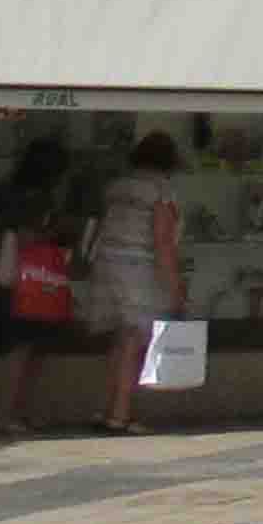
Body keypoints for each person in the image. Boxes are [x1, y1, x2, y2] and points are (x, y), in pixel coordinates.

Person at [77, 132, 186, 434]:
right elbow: (163, 242)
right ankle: (121, 415)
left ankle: (108, 409)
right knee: (133, 342)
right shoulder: (160, 192)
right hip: (138, 271)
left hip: (107, 266)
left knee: (119, 340)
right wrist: (175, 287)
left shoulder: (116, 187)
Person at [0, 135, 81, 440]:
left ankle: (12, 414)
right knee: (26, 351)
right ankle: (7, 414)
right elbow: (27, 237)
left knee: (22, 350)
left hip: (7, 277)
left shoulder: (9, 192)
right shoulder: (37, 198)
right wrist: (58, 233)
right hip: (30, 282)